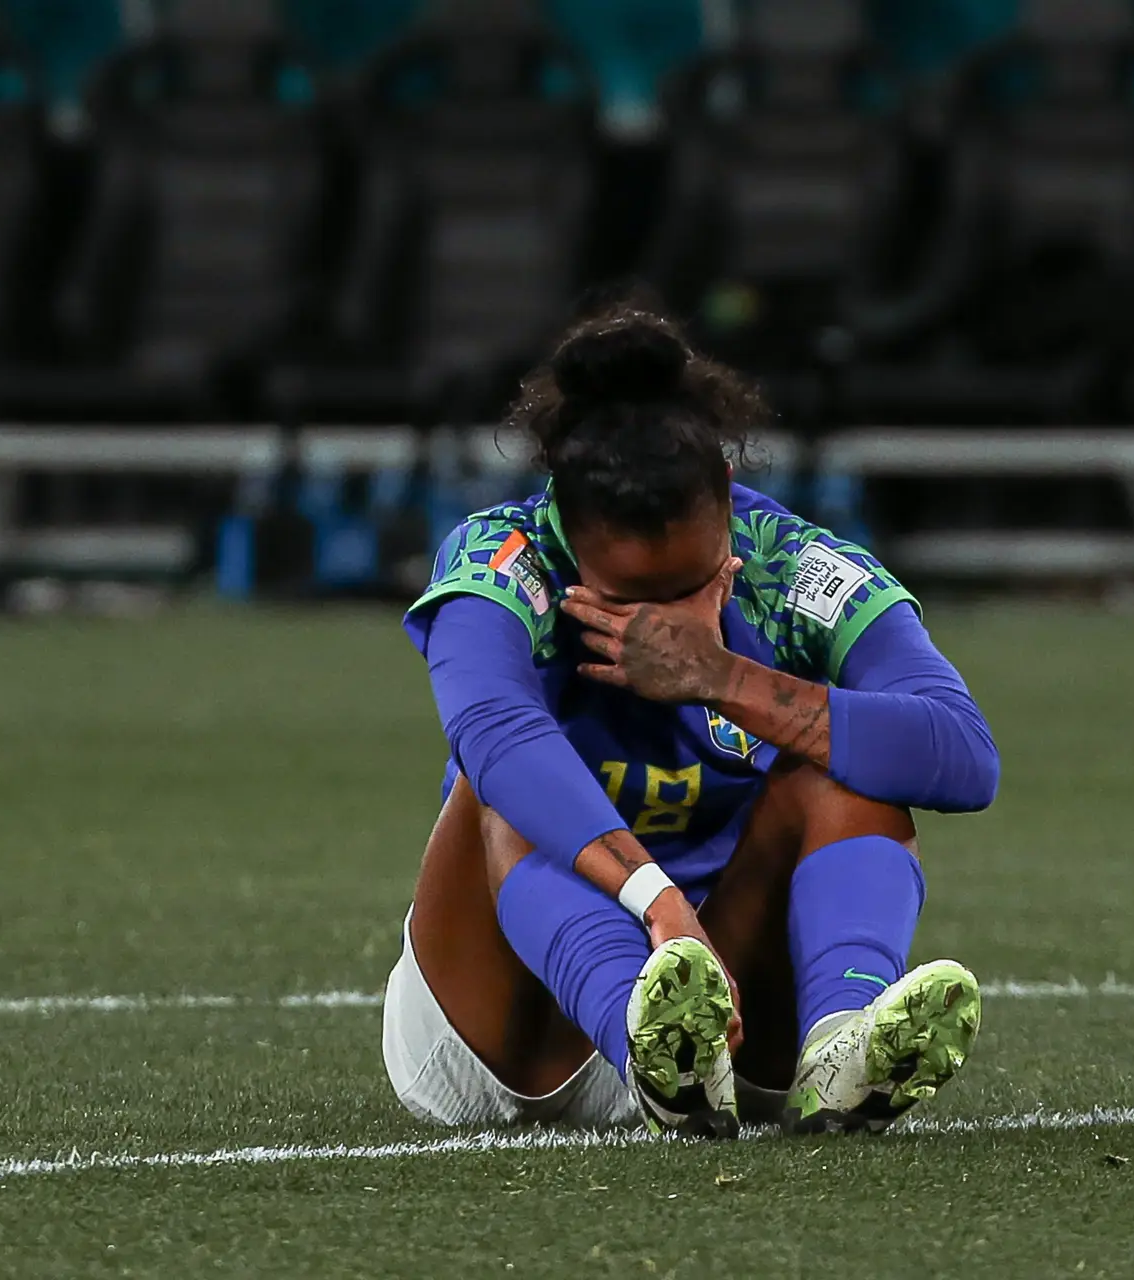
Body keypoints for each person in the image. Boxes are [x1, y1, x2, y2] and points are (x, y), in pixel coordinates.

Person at [383, 305, 1001, 1137]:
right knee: (505, 789)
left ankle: (835, 1049)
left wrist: (722, 677)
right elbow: (492, 730)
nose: (660, 630)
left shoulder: (791, 566)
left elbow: (964, 755)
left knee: (838, 764)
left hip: (719, 1005)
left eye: (690, 592)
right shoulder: (505, 560)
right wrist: (660, 904)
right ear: (571, 537)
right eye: (629, 605)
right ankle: (646, 1052)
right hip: (503, 1028)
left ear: (729, 524)